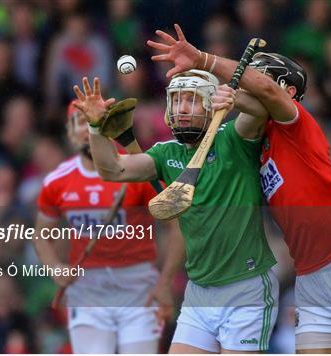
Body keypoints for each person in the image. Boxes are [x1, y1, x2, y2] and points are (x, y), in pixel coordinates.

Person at [146, 24, 331, 353]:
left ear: (286, 91)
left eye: (255, 79)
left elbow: (265, 94)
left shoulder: (294, 122)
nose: (243, 84)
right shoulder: (251, 143)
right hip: (310, 275)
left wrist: (202, 59)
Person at [73, 68, 279, 352]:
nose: (182, 108)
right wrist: (96, 128)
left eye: (192, 100)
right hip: (199, 291)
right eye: (177, 100)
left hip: (245, 288)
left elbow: (260, 110)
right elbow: (114, 169)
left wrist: (235, 99)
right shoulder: (166, 153)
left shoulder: (235, 138)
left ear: (210, 104)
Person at [32, 101, 176, 353]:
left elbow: (176, 227)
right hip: (87, 292)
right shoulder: (57, 182)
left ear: (107, 126)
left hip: (139, 289)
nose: (87, 129)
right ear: (68, 131)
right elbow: (41, 235)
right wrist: (54, 267)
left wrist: (165, 281)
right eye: (80, 121)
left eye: (93, 121)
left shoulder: (138, 170)